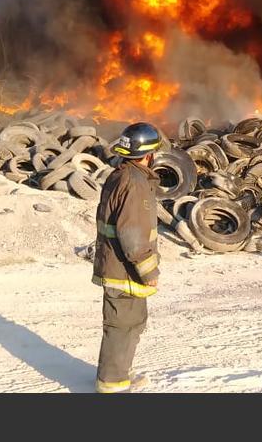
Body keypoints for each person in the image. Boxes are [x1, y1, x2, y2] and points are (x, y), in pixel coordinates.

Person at [91, 122, 162, 393]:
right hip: (125, 269)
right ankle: (112, 385)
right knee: (121, 327)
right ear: (148, 154)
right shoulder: (135, 183)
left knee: (131, 323)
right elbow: (133, 234)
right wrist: (150, 272)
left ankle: (120, 373)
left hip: (119, 266)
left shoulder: (120, 175)